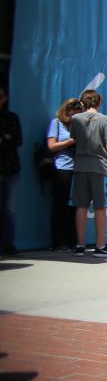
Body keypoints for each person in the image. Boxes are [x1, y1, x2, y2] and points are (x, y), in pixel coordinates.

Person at [70, 89, 107, 257]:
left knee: (81, 206)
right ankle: (100, 245)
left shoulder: (75, 119)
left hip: (80, 166)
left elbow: (75, 139)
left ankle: (80, 245)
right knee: (100, 207)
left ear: (83, 103)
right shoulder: (105, 119)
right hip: (100, 167)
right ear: (99, 103)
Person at [47, 97, 82, 251]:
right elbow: (52, 146)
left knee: (74, 207)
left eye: (77, 112)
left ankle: (72, 240)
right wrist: (70, 142)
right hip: (62, 168)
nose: (73, 115)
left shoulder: (79, 125)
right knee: (60, 205)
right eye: (71, 111)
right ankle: (58, 241)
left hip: (79, 168)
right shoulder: (56, 123)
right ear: (65, 110)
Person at [0, 88, 22, 257]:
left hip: (10, 168)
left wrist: (6, 138)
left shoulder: (11, 117)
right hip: (8, 166)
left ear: (5, 98)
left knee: (9, 209)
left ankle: (8, 244)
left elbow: (17, 140)